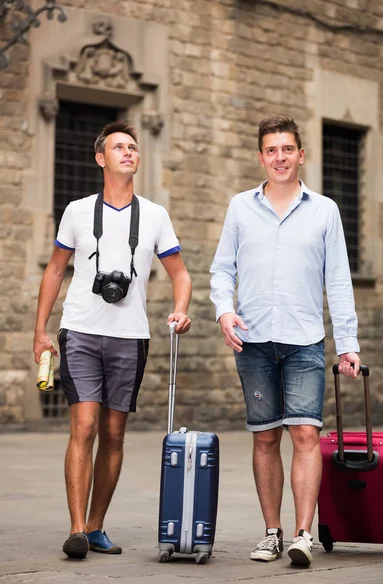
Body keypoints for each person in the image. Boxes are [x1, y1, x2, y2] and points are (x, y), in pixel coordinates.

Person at [33, 122, 192, 559]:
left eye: (133, 147)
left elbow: (180, 274)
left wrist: (181, 308)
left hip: (130, 337)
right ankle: (77, 528)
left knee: (114, 433)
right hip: (81, 330)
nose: (127, 152)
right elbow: (53, 270)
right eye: (118, 147)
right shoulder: (78, 211)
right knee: (83, 426)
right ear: (100, 158)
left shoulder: (156, 215)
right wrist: (40, 331)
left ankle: (98, 525)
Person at [210, 115, 361, 567]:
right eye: (271, 150)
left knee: (305, 434)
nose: (280, 157)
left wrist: (347, 342)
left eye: (287, 149)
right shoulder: (240, 207)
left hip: (304, 340)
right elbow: (222, 269)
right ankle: (272, 532)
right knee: (263, 439)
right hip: (252, 340)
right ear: (261, 157)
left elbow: (337, 279)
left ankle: (302, 534)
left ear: (300, 154)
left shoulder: (325, 210)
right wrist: (223, 310)